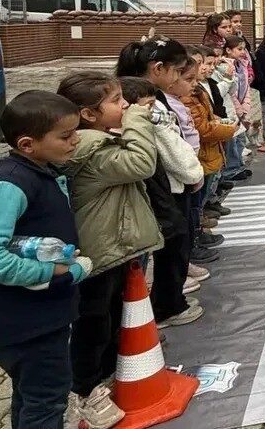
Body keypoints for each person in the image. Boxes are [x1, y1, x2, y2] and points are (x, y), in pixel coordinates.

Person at [0, 92, 94, 429]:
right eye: (66, 136)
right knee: (46, 401)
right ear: (27, 144)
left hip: (41, 318)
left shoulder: (40, 171)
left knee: (33, 397)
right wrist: (51, 273)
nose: (75, 141)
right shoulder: (11, 184)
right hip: (26, 324)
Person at [56, 71, 165, 425]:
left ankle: (106, 374)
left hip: (115, 247)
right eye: (117, 102)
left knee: (111, 315)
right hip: (100, 252)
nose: (125, 106)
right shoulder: (91, 149)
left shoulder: (96, 139)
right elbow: (141, 163)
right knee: (94, 322)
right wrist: (136, 120)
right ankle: (84, 390)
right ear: (88, 114)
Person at [115, 38, 199, 323]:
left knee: (170, 244)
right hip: (165, 187)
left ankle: (161, 303)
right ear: (158, 68)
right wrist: (193, 173)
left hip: (168, 183)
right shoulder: (148, 104)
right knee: (168, 245)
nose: (178, 79)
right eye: (177, 72)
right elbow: (169, 145)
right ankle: (165, 306)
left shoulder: (147, 96)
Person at [182, 47, 237, 281]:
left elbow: (208, 116)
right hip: (200, 156)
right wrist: (227, 129)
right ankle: (195, 239)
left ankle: (199, 230)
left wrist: (220, 122)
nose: (203, 70)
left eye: (205, 64)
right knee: (194, 202)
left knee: (201, 197)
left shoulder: (198, 91)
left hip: (209, 154)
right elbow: (201, 128)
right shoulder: (187, 97)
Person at [220, 36, 253, 182]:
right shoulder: (224, 66)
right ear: (228, 50)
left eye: (244, 49)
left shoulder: (242, 64)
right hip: (230, 107)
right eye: (239, 49)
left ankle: (239, 165)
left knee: (240, 138)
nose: (242, 52)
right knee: (232, 139)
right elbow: (231, 91)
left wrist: (246, 105)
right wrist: (239, 109)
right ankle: (231, 170)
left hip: (241, 105)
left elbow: (245, 87)